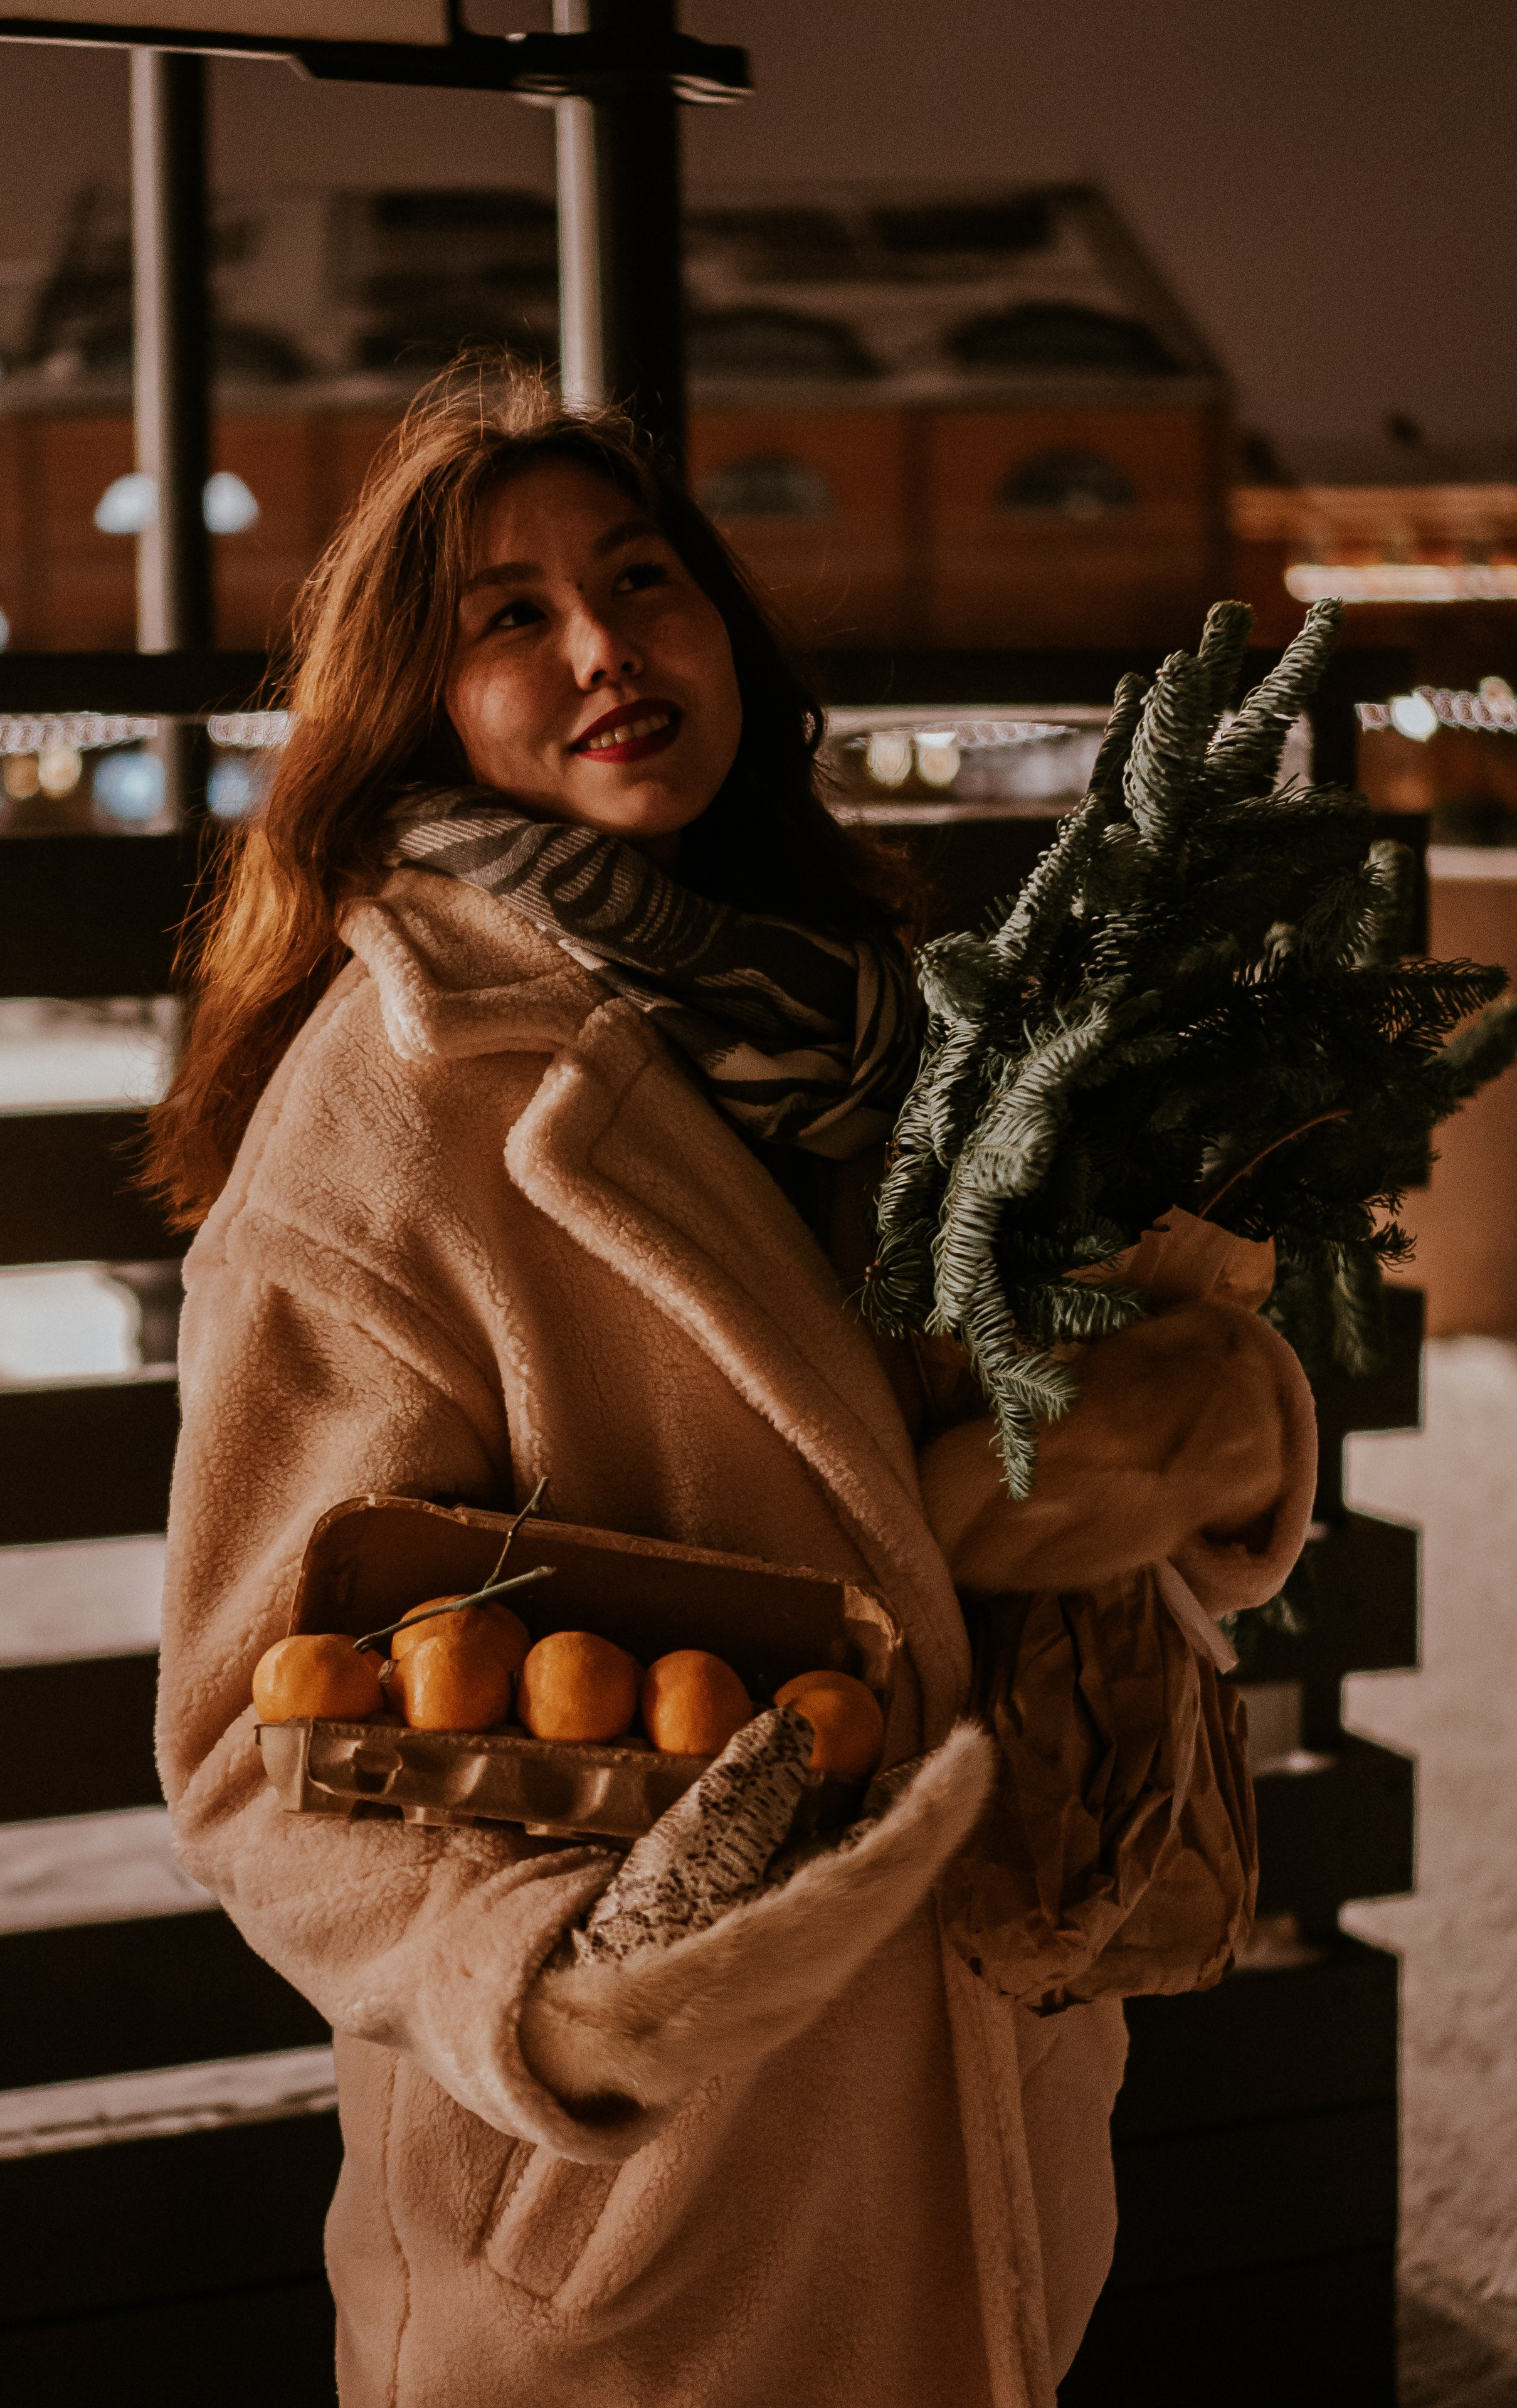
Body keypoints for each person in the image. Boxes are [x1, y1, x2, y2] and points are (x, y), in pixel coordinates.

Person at [151, 365, 1315, 2407]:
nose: (605, 644)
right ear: (411, 698)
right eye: (510, 614)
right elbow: (252, 1752)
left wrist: (1211, 1426)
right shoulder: (381, 1128)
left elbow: (1007, 1486)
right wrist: (561, 2003)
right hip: (632, 2228)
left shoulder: (889, 1014)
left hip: (970, 2114)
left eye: (643, 578)